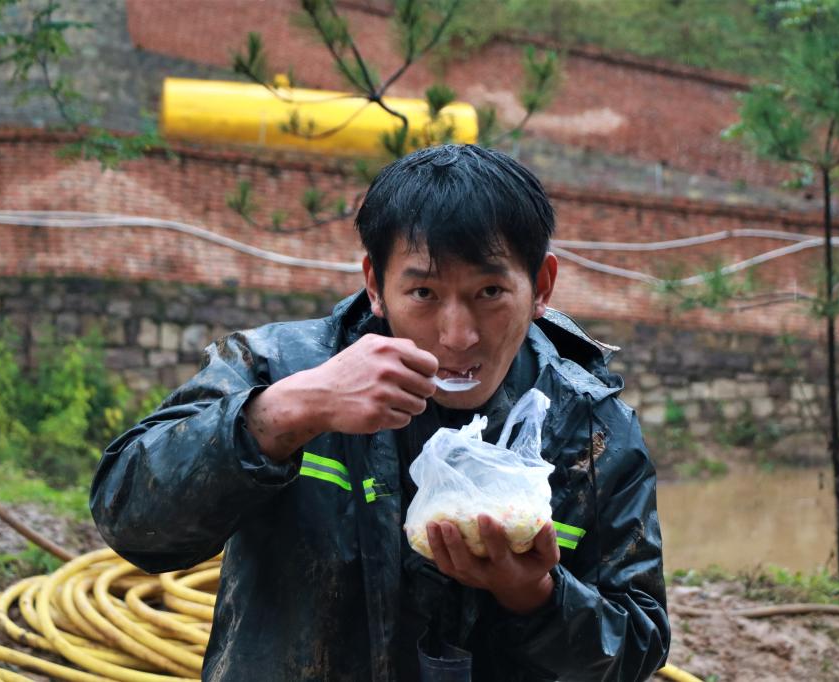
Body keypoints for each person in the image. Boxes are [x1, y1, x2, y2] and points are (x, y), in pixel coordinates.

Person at [91, 144, 670, 681]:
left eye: (489, 293)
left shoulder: (591, 431)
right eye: (423, 294)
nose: (458, 336)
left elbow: (638, 648)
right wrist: (293, 409)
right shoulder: (278, 366)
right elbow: (131, 520)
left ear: (540, 285)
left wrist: (534, 594)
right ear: (376, 285)